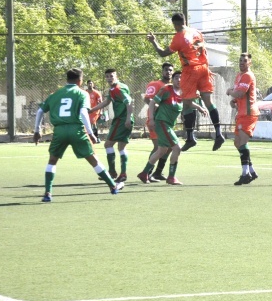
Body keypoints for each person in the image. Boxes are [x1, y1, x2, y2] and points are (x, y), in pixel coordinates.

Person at [34, 68, 124, 202]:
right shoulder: (82, 94)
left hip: (59, 130)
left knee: (52, 161)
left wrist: (37, 130)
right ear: (80, 81)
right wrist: (90, 132)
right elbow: (83, 113)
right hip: (77, 130)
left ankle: (48, 193)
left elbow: (40, 111)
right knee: (93, 159)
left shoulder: (56, 94)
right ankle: (112, 186)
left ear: (67, 79)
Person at [147, 12, 225, 151]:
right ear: (185, 21)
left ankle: (190, 137)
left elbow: (162, 53)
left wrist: (153, 41)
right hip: (204, 68)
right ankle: (218, 133)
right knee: (208, 102)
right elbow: (202, 49)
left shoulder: (178, 38)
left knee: (187, 103)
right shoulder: (196, 32)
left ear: (175, 24)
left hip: (190, 70)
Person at [137, 70, 207, 185]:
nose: (179, 80)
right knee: (177, 148)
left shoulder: (183, 92)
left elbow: (189, 103)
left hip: (168, 124)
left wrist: (200, 107)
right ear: (172, 80)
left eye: (181, 78)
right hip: (161, 122)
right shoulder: (166, 89)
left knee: (161, 151)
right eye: (176, 78)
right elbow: (152, 102)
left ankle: (144, 173)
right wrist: (151, 119)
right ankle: (171, 177)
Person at [88, 69, 134, 182]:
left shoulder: (119, 89)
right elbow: (107, 102)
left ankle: (112, 172)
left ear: (116, 76)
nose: (109, 78)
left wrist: (128, 118)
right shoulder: (113, 89)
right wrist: (92, 110)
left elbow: (129, 102)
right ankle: (122, 174)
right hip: (123, 120)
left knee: (108, 144)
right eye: (107, 76)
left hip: (121, 120)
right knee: (121, 147)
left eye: (111, 76)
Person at [226, 53, 260, 185]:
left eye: (245, 61)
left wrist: (230, 92)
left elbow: (240, 93)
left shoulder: (247, 75)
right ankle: (251, 171)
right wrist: (234, 100)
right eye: (240, 61)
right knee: (237, 143)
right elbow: (239, 94)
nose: (242, 63)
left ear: (249, 63)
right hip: (241, 113)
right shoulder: (239, 76)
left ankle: (245, 174)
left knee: (242, 143)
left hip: (248, 113)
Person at [143, 62, 174, 182]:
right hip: (155, 120)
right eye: (166, 70)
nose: (168, 72)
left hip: (167, 121)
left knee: (170, 146)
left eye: (171, 70)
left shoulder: (173, 87)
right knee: (158, 147)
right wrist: (157, 105)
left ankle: (158, 172)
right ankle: (147, 173)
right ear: (162, 71)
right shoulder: (155, 84)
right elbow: (147, 98)